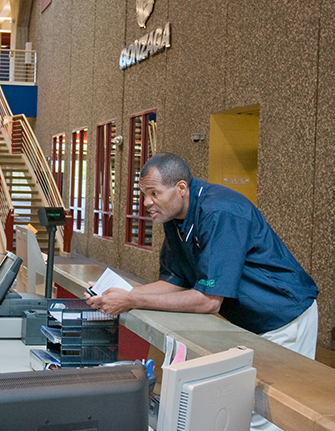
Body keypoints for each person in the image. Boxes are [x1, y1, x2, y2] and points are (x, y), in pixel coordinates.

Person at [86, 152, 319, 359]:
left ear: (181, 188)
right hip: (248, 322)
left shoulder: (221, 212)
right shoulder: (173, 216)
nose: (147, 202)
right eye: (144, 194)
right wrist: (115, 294)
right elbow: (175, 282)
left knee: (270, 405)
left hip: (284, 317)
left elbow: (208, 300)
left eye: (154, 193)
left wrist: (132, 300)